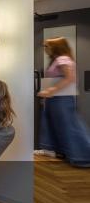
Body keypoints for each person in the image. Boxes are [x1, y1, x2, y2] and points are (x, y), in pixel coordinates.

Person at [36, 37, 90, 166]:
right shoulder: (58, 60)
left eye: (47, 46)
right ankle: (63, 152)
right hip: (56, 99)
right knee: (59, 126)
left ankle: (84, 156)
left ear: (56, 47)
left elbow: (70, 78)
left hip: (61, 99)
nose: (45, 49)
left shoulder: (62, 59)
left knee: (70, 126)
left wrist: (50, 91)